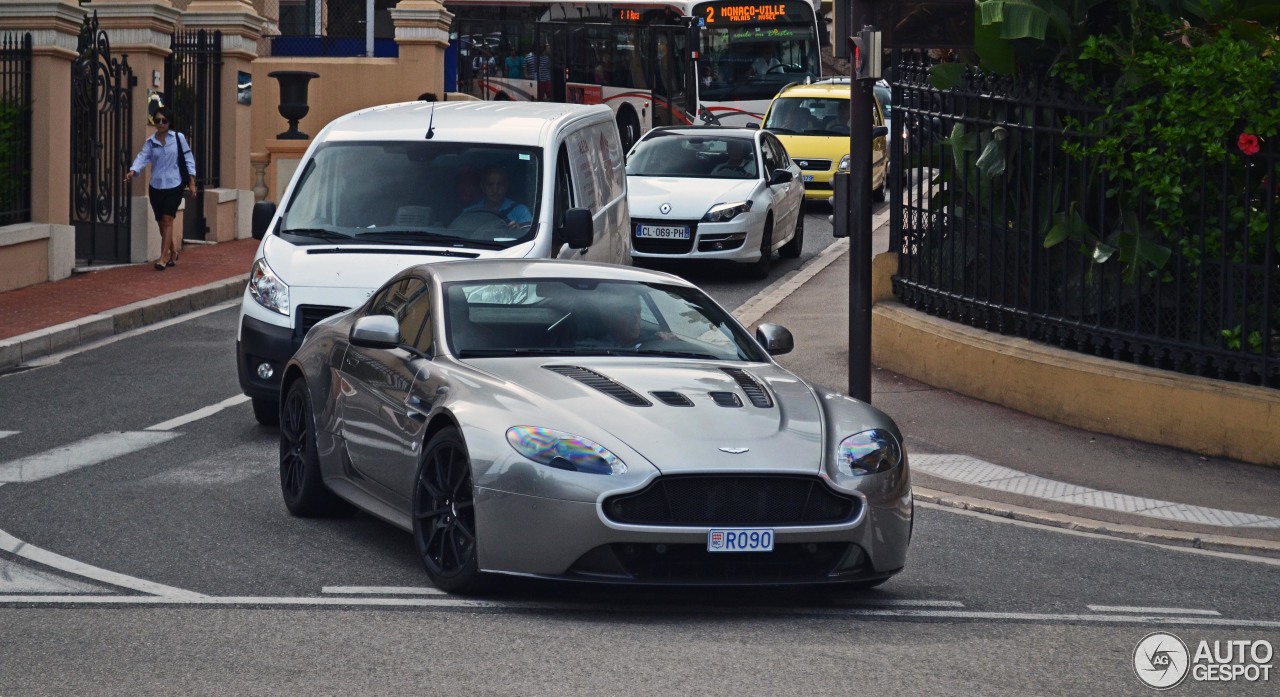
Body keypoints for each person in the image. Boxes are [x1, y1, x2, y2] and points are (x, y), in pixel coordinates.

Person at [125, 106, 196, 270]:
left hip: (174, 184)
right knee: (160, 224)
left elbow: (189, 159)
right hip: (156, 186)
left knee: (167, 220)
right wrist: (133, 170)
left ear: (169, 122)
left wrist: (191, 182)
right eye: (157, 120)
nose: (161, 123)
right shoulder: (151, 142)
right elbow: (142, 157)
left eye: (164, 120)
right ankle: (172, 251)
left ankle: (163, 258)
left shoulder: (178, 138)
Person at [459, 166, 532, 227]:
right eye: (490, 184)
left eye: (500, 184)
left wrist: (518, 232)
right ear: (482, 187)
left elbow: (530, 240)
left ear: (506, 186)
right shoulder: (470, 213)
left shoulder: (521, 212)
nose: (495, 190)